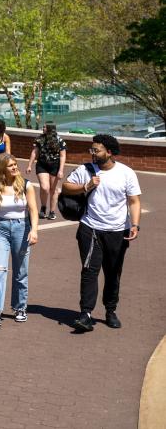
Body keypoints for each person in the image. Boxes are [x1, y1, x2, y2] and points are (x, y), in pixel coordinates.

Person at [61, 134, 141, 333]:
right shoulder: (86, 170)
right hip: (91, 229)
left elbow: (134, 201)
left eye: (96, 150)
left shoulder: (126, 173)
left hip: (117, 231)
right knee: (89, 270)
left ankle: (110, 310)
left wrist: (135, 225)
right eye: (92, 150)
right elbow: (66, 187)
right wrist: (86, 186)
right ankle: (86, 314)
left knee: (113, 273)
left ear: (110, 152)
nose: (93, 153)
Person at [0, 154, 39, 328]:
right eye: (11, 165)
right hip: (0, 229)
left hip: (22, 228)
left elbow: (33, 209)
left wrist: (34, 230)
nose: (15, 168)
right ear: (2, 168)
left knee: (20, 271)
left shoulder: (26, 185)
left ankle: (20, 307)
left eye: (15, 164)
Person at [26, 121, 66, 221]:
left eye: (44, 127)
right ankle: (43, 207)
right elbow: (34, 152)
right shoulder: (39, 139)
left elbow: (63, 156)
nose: (43, 128)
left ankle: (52, 211)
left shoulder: (60, 141)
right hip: (42, 165)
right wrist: (29, 165)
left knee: (53, 189)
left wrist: (61, 170)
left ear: (50, 128)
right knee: (45, 187)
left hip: (55, 166)